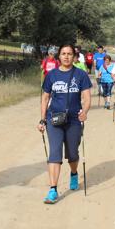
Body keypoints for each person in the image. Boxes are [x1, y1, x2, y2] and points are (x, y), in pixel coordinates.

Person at [38, 45, 91, 204]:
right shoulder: (51, 75)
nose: (66, 57)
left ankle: (74, 173)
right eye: (63, 54)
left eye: (69, 54)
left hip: (74, 120)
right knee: (54, 153)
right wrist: (42, 119)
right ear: (58, 56)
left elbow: (87, 97)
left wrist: (85, 111)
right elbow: (45, 98)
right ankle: (53, 189)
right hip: (54, 119)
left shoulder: (81, 75)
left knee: (73, 154)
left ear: (74, 56)